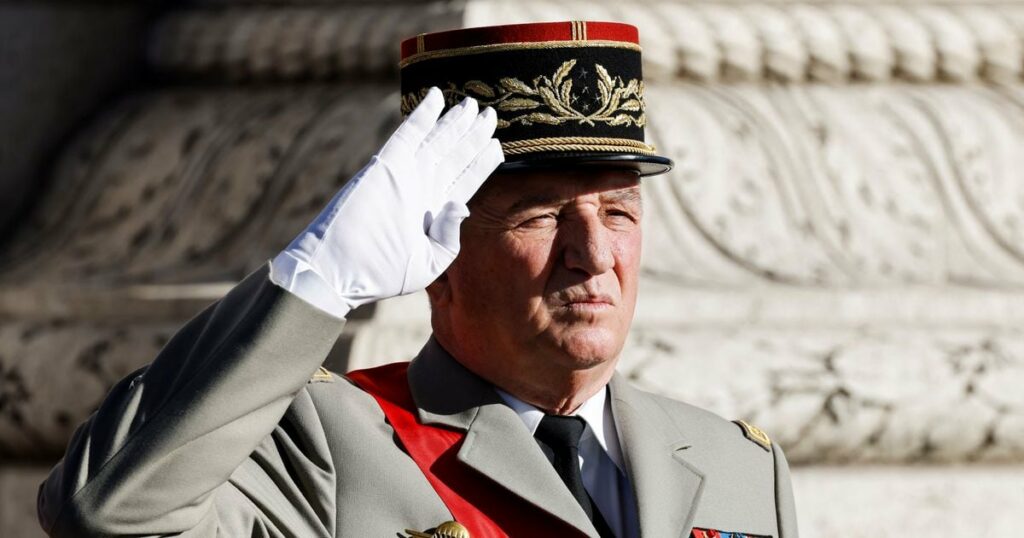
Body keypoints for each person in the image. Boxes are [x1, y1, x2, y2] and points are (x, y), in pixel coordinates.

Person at [38, 21, 797, 538]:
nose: (593, 254)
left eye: (620, 212)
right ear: (437, 248)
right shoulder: (323, 441)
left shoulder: (738, 463)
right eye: (541, 215)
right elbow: (108, 517)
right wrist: (318, 278)